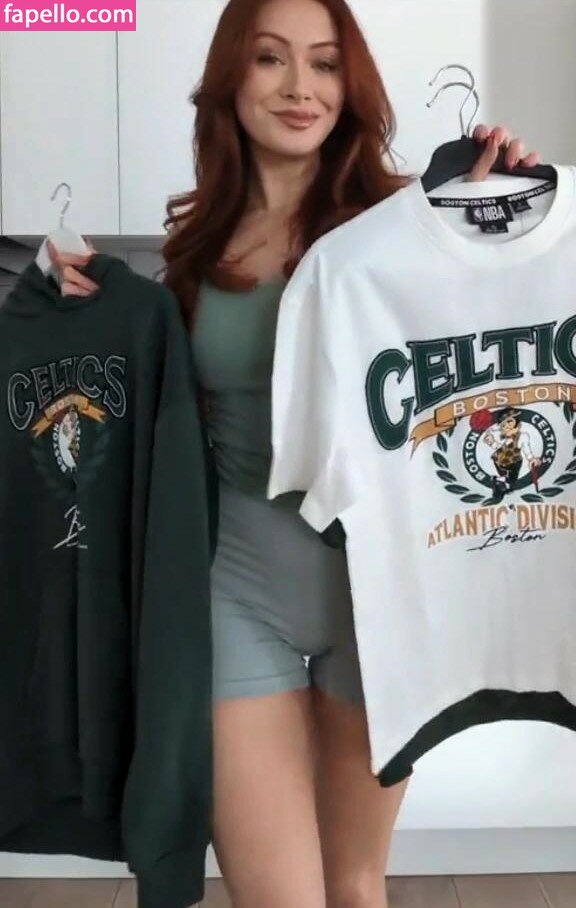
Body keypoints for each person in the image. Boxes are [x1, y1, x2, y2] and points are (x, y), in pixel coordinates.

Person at [47, 1, 543, 905]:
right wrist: (73, 303)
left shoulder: (413, 223)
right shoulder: (192, 249)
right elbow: (144, 404)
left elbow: (503, 301)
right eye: (271, 59)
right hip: (236, 591)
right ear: (230, 79)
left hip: (381, 602)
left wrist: (501, 190)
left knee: (355, 888)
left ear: (349, 86)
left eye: (324, 63)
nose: (299, 87)